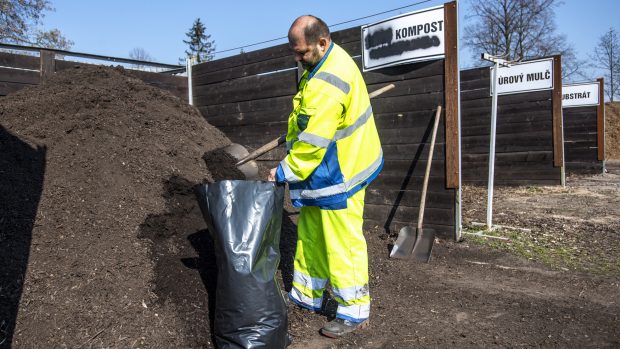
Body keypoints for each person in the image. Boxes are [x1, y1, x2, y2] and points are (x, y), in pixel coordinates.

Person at [268, 15, 383, 338]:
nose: (297, 58)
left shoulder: (327, 81)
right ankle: (308, 295)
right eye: (294, 51)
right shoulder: (323, 63)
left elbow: (312, 144)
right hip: (328, 170)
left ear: (322, 42)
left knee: (342, 242)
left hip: (342, 172)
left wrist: (282, 171)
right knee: (311, 233)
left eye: (301, 52)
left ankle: (354, 311)